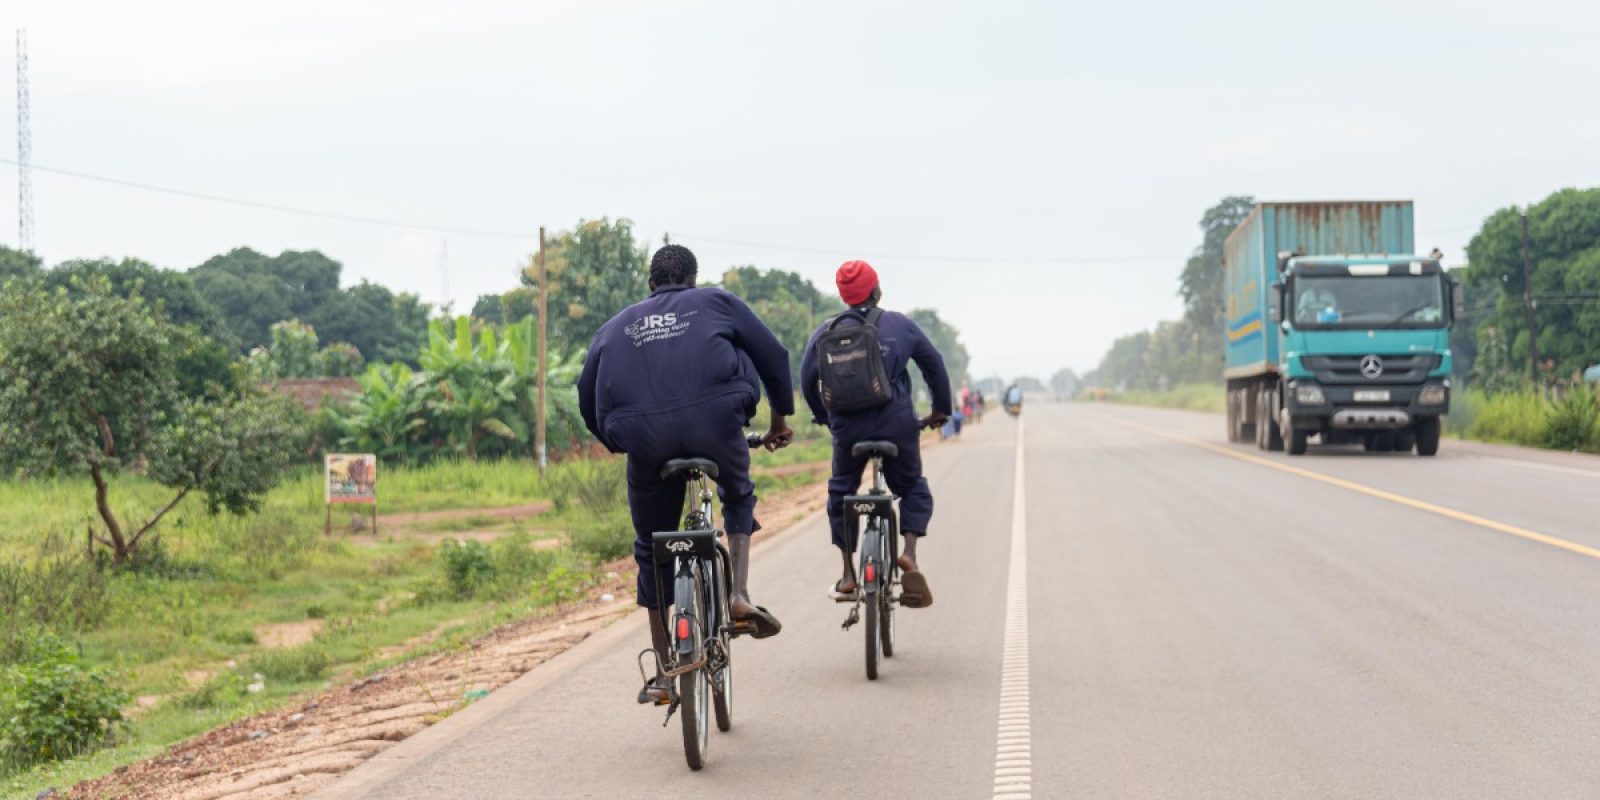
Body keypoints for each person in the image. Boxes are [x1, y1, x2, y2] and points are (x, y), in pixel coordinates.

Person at [578, 244, 794, 705]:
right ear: (692, 279)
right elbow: (773, 356)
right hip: (716, 426)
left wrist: (617, 439)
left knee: (650, 546)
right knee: (737, 496)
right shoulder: (716, 302)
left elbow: (585, 390)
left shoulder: (616, 325)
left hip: (643, 439)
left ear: (650, 284)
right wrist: (778, 422)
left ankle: (661, 670)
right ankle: (737, 594)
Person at [800, 260, 951, 609]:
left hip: (848, 429)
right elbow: (935, 365)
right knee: (912, 486)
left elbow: (807, 381)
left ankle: (849, 573)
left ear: (844, 296)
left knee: (841, 492)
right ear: (876, 290)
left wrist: (825, 417)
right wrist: (940, 409)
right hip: (897, 424)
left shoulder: (825, 331)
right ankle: (909, 553)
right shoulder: (900, 325)